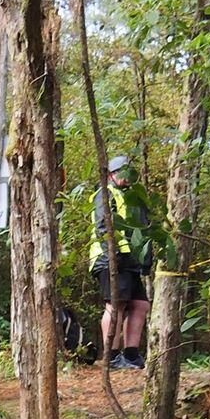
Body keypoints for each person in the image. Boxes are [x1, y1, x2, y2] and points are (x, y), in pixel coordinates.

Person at [90, 155, 155, 369]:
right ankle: (111, 355)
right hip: (110, 257)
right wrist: (113, 255)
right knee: (116, 305)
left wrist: (146, 259)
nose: (125, 177)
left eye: (128, 172)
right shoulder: (105, 193)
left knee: (140, 304)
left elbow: (145, 228)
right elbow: (103, 225)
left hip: (131, 259)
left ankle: (131, 354)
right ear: (111, 174)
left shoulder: (136, 197)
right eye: (121, 172)